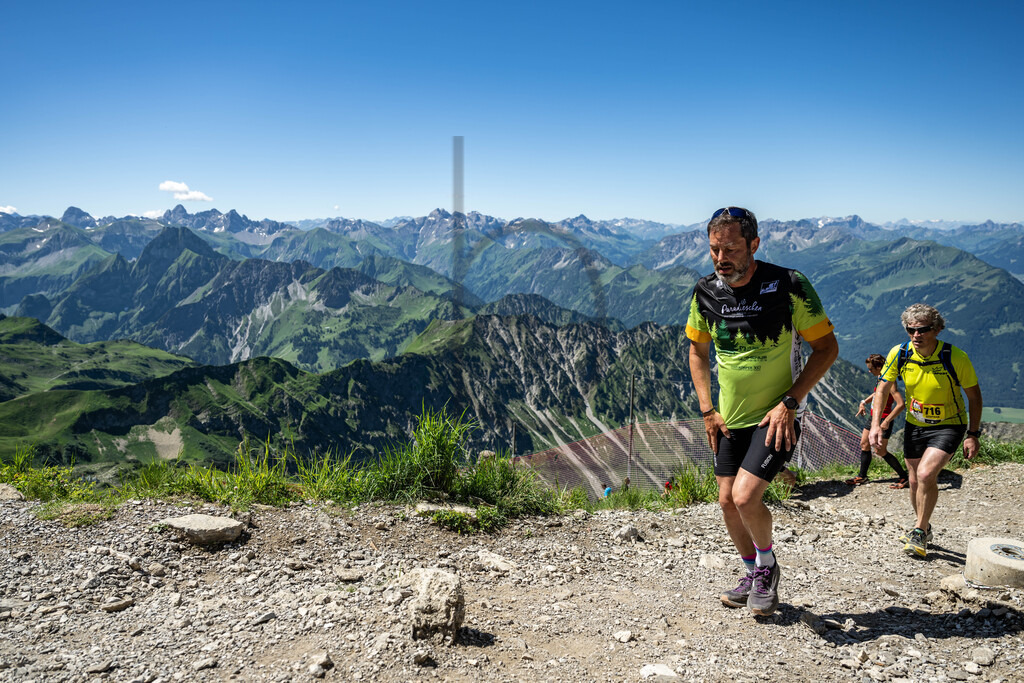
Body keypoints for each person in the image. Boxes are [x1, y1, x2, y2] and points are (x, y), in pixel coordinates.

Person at [687, 206, 838, 616]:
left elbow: (827, 348)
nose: (721, 259)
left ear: (754, 244)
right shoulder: (705, 291)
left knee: (745, 496)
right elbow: (698, 351)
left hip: (776, 417)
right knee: (726, 502)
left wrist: (791, 402)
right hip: (728, 418)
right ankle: (752, 571)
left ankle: (767, 568)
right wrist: (708, 410)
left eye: (731, 249)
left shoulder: (789, 285)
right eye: (715, 249)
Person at [870, 303, 982, 558]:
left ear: (938, 329)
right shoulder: (900, 353)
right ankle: (924, 526)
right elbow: (883, 388)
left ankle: (919, 530)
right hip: (915, 424)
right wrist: (876, 424)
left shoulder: (955, 357)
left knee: (925, 473)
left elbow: (974, 397)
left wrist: (973, 434)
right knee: (913, 480)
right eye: (911, 330)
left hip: (949, 424)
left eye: (923, 330)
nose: (916, 335)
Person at [845, 353, 908, 488]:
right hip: (874, 417)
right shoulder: (880, 377)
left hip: (884, 418)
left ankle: (904, 476)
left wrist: (887, 421)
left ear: (879, 367)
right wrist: (863, 402)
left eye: (871, 369)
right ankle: (862, 476)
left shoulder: (890, 383)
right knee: (864, 444)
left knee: (880, 451)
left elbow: (901, 404)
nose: (869, 371)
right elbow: (877, 393)